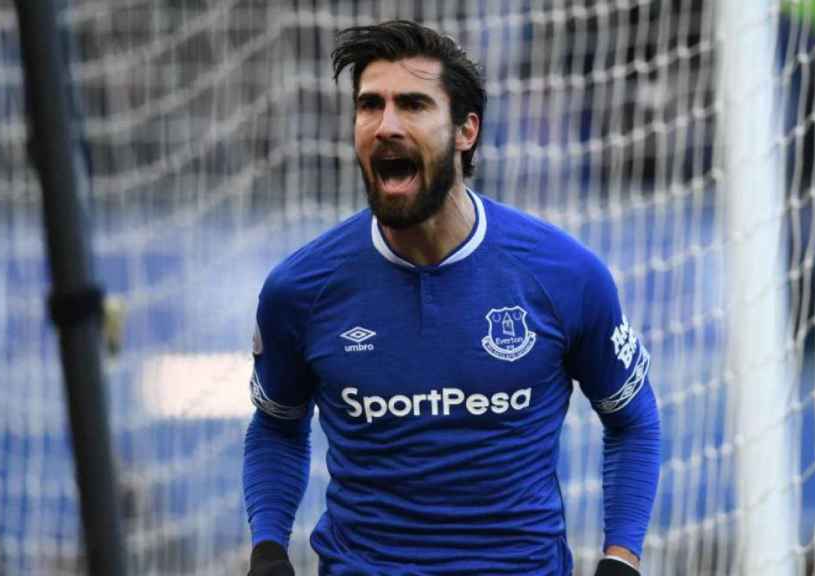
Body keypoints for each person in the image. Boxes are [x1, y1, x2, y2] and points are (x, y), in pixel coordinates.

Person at [243, 20, 661, 576]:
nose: (386, 125)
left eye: (412, 105)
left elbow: (633, 421)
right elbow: (276, 423)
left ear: (466, 131)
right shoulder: (301, 289)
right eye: (370, 106)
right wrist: (269, 547)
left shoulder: (563, 274)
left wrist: (621, 557)